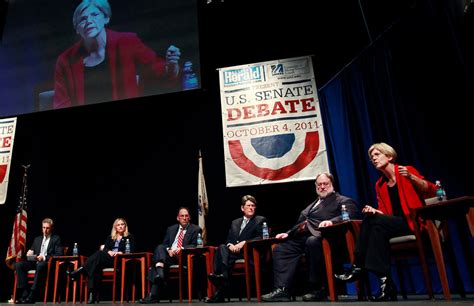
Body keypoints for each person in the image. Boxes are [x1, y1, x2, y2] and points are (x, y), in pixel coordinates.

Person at [335, 142, 437, 301]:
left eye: (377, 155)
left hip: (413, 223)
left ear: (389, 156)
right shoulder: (380, 184)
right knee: (375, 228)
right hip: (394, 225)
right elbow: (385, 213)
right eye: (371, 157)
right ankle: (386, 284)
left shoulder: (406, 171)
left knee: (373, 223)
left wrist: (411, 177)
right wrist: (375, 211)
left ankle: (357, 266)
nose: (373, 159)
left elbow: (430, 190)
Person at [53, 0, 181, 109]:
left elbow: (159, 70)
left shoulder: (127, 42)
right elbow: (62, 104)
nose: (89, 21)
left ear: (106, 18)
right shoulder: (65, 60)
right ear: (77, 29)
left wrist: (172, 65)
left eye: (94, 14)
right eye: (83, 19)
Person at [261, 172, 358, 302]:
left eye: (325, 184)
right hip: (304, 238)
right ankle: (282, 290)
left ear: (332, 185)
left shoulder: (343, 200)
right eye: (319, 184)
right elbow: (301, 224)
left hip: (327, 239)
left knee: (312, 242)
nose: (322, 187)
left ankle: (318, 289)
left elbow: (349, 216)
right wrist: (288, 233)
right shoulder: (313, 204)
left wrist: (332, 221)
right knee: (281, 248)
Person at [205, 195, 267, 303]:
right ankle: (223, 276)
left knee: (223, 254)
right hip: (234, 253)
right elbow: (229, 239)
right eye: (248, 205)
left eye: (253, 205)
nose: (251, 208)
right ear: (242, 208)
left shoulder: (260, 220)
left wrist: (244, 243)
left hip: (249, 253)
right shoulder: (235, 222)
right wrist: (230, 245)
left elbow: (261, 237)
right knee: (223, 247)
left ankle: (220, 283)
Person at [140, 207, 202, 304]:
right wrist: (169, 249)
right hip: (169, 257)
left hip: (183, 257)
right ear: (178, 218)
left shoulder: (196, 229)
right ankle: (160, 273)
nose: (184, 218)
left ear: (189, 217)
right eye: (182, 216)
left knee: (155, 266)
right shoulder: (171, 229)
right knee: (160, 247)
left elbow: (196, 245)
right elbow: (165, 244)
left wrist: (181, 248)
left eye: (186, 216)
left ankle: (153, 294)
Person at [68, 218, 135, 303]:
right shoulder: (110, 237)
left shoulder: (129, 237)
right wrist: (109, 251)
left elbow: (131, 250)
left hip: (120, 261)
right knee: (94, 266)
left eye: (122, 224)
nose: (121, 226)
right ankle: (92, 295)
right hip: (109, 260)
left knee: (98, 255)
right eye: (118, 225)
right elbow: (105, 248)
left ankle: (80, 270)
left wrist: (120, 252)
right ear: (115, 227)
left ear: (125, 226)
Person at [14, 218, 63, 304]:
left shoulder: (56, 239)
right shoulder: (37, 239)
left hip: (47, 264)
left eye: (47, 228)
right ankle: (25, 293)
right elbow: (32, 250)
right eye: (43, 227)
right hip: (35, 262)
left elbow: (59, 254)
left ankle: (32, 294)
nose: (45, 230)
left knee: (40, 265)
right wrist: (30, 252)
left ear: (51, 228)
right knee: (19, 265)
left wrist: (44, 257)